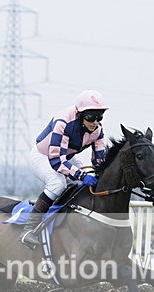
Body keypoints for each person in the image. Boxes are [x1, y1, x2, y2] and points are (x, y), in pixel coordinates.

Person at [21, 89, 109, 247]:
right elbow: (56, 161)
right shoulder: (63, 121)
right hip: (43, 156)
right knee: (58, 183)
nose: (95, 122)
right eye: (91, 117)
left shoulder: (98, 131)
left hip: (65, 157)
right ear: (80, 114)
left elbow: (99, 162)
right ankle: (28, 229)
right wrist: (81, 176)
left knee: (83, 174)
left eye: (99, 117)